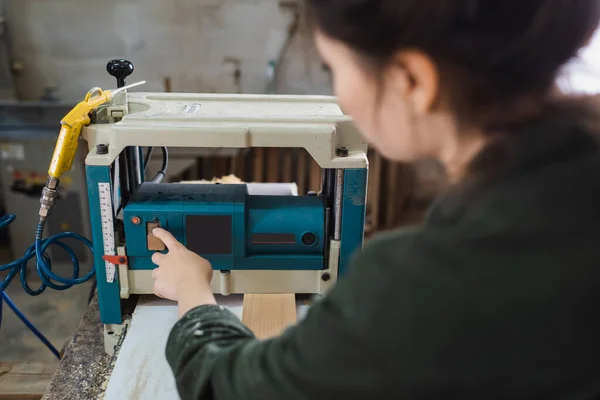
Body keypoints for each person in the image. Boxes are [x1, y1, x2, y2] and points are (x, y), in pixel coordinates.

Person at [150, 1, 600, 398]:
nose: (341, 97)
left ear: (412, 81)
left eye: (334, 69)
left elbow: (227, 388)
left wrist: (192, 288)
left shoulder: (419, 287)